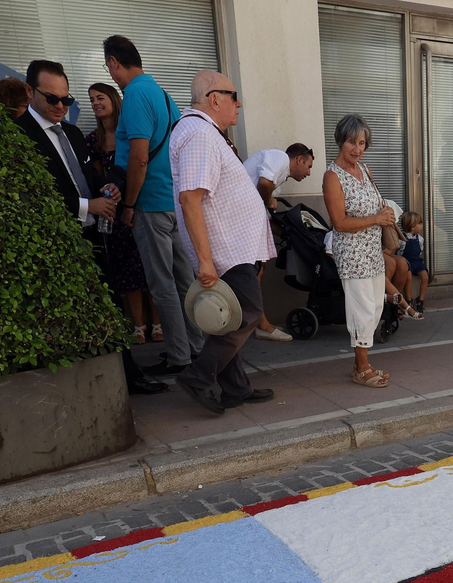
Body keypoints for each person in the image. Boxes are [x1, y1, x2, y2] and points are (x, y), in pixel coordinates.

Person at [13, 60, 164, 396]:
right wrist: (85, 206)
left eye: (66, 100)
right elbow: (30, 196)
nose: (59, 107)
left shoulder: (71, 132)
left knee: (111, 302)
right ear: (28, 91)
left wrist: (106, 189)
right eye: (51, 98)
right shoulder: (17, 137)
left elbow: (86, 176)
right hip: (56, 244)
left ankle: (129, 375)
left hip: (93, 236)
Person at [169, 71, 277, 415]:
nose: (239, 103)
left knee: (232, 317)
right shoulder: (199, 133)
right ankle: (198, 376)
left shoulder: (204, 132)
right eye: (234, 96)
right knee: (248, 312)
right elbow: (190, 198)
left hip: (231, 246)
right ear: (213, 99)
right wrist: (204, 259)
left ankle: (236, 388)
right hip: (225, 250)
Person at [105, 34, 201, 376]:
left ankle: (179, 356)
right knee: (185, 282)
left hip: (151, 205)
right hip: (174, 201)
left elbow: (139, 157)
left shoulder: (133, 96)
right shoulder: (162, 93)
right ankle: (197, 346)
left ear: (115, 62)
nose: (111, 75)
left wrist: (129, 204)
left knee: (162, 285)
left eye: (109, 67)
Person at [323, 114, 399, 388]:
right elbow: (340, 223)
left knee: (376, 305)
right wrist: (376, 219)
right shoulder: (333, 176)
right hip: (352, 255)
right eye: (351, 142)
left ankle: (361, 363)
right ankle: (361, 368)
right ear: (340, 141)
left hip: (372, 251)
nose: (357, 148)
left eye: (362, 143)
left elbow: (374, 205)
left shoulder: (364, 170)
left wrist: (385, 212)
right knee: (361, 309)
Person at [85, 81, 159, 345]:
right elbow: (96, 177)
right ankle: (138, 325)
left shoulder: (129, 133)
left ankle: (158, 323)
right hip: (112, 213)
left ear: (114, 100)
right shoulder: (93, 140)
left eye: (101, 97)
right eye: (92, 99)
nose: (96, 103)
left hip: (137, 205)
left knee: (148, 266)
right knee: (125, 269)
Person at [243, 143, 315, 210]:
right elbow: (265, 182)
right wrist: (269, 201)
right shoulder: (282, 156)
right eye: (309, 167)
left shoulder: (283, 171)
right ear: (299, 160)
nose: (309, 173)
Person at [399, 211, 429, 308]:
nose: (422, 226)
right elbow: (400, 253)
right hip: (406, 262)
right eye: (420, 224)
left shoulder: (420, 239)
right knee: (409, 277)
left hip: (417, 261)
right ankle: (408, 299)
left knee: (425, 277)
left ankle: (421, 300)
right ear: (412, 227)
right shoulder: (402, 238)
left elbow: (420, 250)